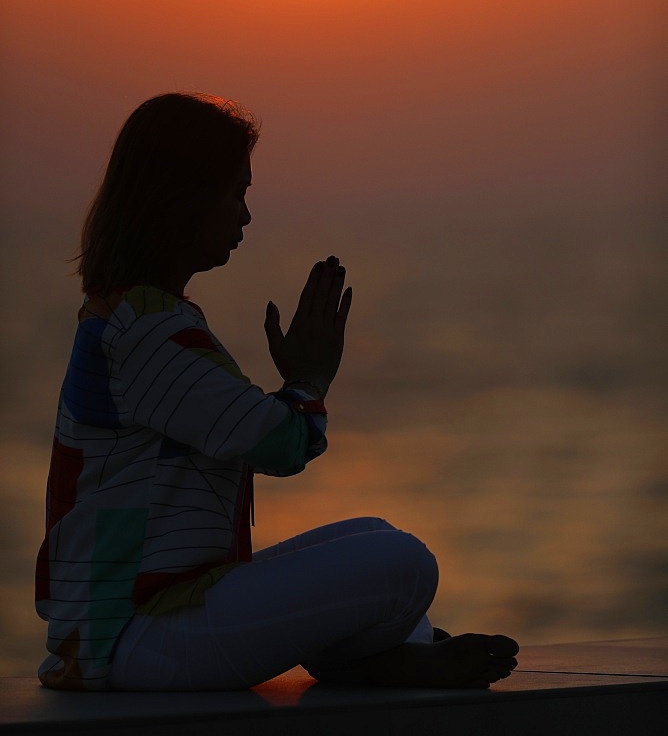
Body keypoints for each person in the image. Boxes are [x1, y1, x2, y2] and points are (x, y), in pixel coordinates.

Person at [35, 91, 519, 692]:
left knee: (371, 533)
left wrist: (297, 386)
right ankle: (377, 656)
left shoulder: (136, 318)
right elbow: (280, 443)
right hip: (134, 640)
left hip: (158, 619)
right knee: (405, 564)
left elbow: (242, 425)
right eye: (236, 193)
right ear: (181, 199)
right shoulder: (146, 332)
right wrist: (310, 380)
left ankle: (388, 656)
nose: (245, 216)